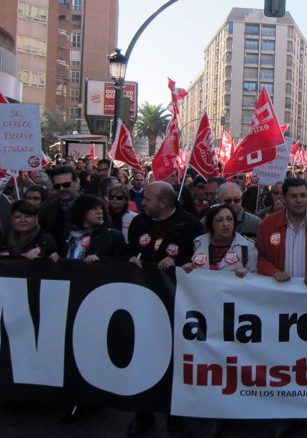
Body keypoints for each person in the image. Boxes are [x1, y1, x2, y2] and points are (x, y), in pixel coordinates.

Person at [125, 181, 203, 436]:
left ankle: (175, 413)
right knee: (143, 357)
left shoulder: (190, 225)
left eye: (147, 199)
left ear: (164, 202)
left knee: (175, 359)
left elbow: (199, 259)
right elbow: (129, 249)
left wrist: (179, 261)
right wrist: (130, 259)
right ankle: (143, 413)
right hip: (142, 300)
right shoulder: (139, 223)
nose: (142, 202)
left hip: (175, 303)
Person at [183, 203, 257, 275]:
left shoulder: (248, 246)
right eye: (219, 220)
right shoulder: (198, 242)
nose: (226, 224)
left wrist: (247, 274)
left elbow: (256, 278)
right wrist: (189, 269)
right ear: (211, 224)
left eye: (229, 219)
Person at [60, 195, 125, 262]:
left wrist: (100, 259)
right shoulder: (68, 234)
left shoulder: (113, 236)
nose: (99, 212)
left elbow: (121, 262)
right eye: (94, 208)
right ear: (82, 210)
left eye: (100, 208)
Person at [39, 165, 81, 254]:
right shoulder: (47, 206)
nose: (62, 189)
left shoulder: (90, 205)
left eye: (66, 185)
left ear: (77, 182)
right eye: (57, 186)